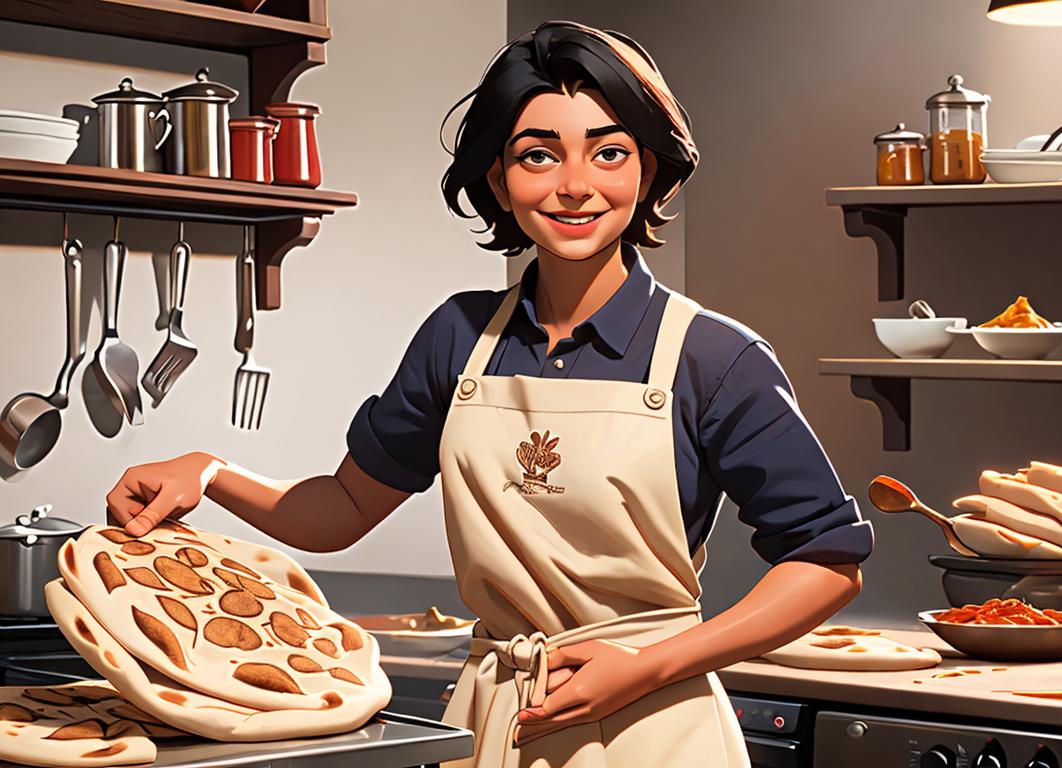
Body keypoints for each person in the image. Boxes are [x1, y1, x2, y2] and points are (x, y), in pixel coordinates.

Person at [106, 21, 873, 768]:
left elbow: (826, 562)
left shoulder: (715, 356)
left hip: (656, 719)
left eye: (609, 153)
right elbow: (341, 508)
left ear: (649, 172)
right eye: (539, 156)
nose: (576, 186)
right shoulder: (457, 335)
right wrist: (210, 472)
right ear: (499, 181)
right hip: (491, 714)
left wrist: (646, 667)